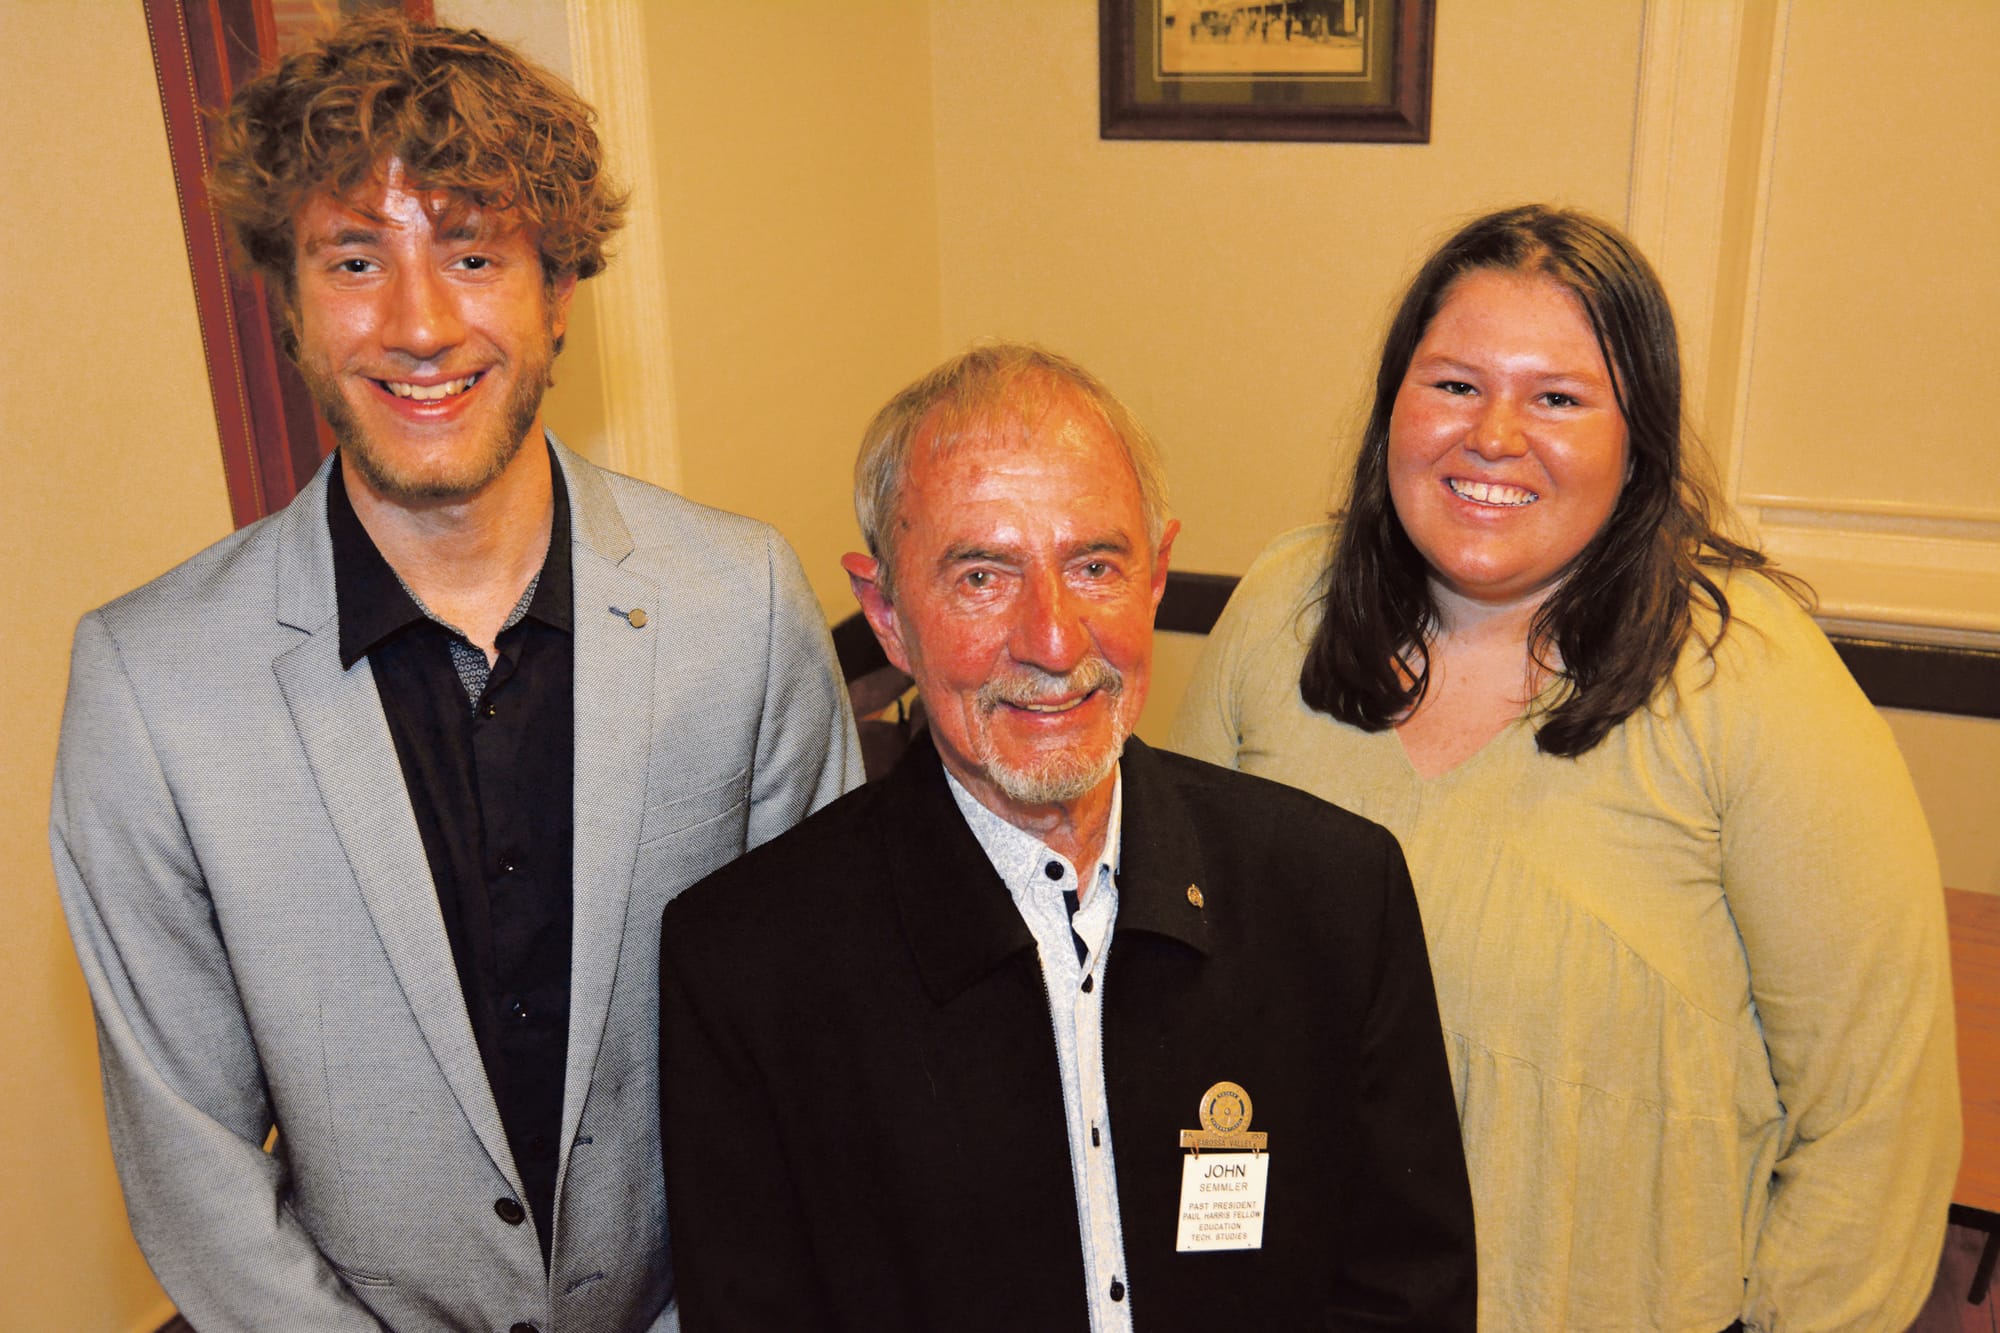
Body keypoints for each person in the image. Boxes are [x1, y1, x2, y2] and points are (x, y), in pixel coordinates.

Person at [50, 14, 858, 1331]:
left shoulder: (744, 609)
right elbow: (193, 1183)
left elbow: (813, 1064)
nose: (418, 325)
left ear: (558, 293)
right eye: (356, 258)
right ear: (292, 302)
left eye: (474, 254)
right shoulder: (149, 688)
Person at [1170, 204, 1961, 1330]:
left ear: (1636, 436)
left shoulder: (1750, 678)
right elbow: (1179, 988)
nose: (1493, 435)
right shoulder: (1276, 618)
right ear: (1391, 403)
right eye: (1452, 384)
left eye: (1557, 397)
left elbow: (1876, 1115)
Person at [657, 344, 1476, 1331]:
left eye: (1093, 564)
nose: (1052, 640)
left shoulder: (1334, 895)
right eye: (980, 575)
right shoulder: (749, 964)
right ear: (884, 613)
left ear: (1156, 574)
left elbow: (1407, 1295)